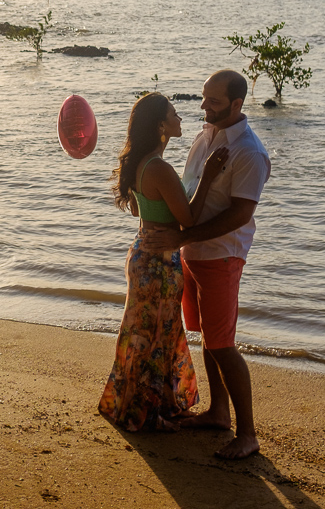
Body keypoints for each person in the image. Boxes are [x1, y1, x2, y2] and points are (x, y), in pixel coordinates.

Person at [99, 92, 228, 432]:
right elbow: (188, 220)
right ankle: (146, 415)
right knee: (156, 337)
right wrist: (208, 176)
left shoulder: (141, 164)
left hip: (144, 252)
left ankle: (155, 404)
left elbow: (140, 211)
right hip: (158, 262)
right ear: (160, 125)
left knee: (147, 332)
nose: (180, 118)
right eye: (174, 113)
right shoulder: (159, 168)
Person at [177, 69, 271, 460]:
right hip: (193, 253)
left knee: (223, 345)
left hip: (221, 256)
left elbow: (240, 214)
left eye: (213, 101)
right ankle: (218, 412)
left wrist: (184, 237)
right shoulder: (205, 135)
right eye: (204, 97)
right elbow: (189, 190)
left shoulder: (249, 151)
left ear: (237, 104)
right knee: (207, 338)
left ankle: (248, 434)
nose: (204, 106)